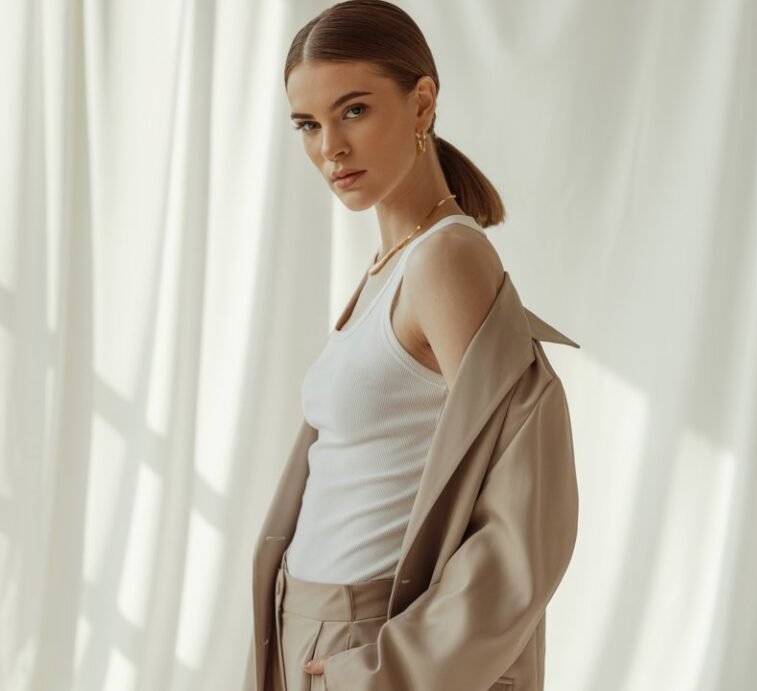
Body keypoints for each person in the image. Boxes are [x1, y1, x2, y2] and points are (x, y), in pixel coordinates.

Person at [249, 1, 580, 689]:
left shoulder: (445, 259)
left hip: (371, 640)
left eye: (355, 111)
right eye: (308, 124)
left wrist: (382, 665)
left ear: (422, 102)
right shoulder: (387, 270)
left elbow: (526, 515)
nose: (329, 147)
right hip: (312, 629)